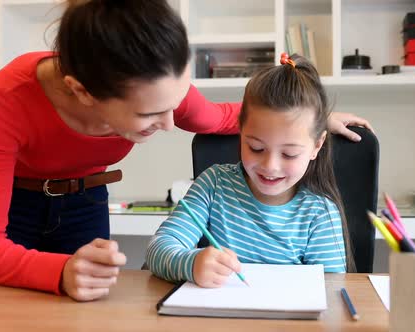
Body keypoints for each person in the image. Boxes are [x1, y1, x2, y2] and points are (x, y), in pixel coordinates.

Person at [0, 0, 369, 301]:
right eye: (151, 114)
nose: (172, 123)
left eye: (175, 103)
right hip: (15, 205)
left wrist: (310, 120)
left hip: (84, 200)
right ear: (83, 92)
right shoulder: (10, 97)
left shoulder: (154, 83)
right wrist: (59, 271)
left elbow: (222, 117)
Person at [144, 53, 356, 288]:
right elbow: (158, 249)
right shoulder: (214, 185)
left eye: (289, 154)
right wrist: (191, 263)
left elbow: (332, 290)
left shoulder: (318, 213)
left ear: (317, 146)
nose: (270, 166)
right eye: (256, 148)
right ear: (240, 133)